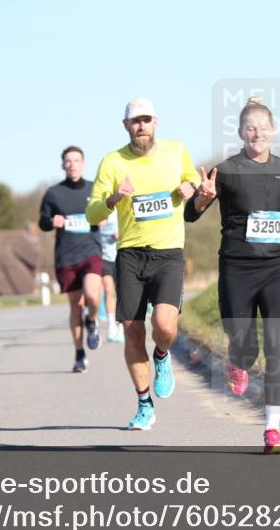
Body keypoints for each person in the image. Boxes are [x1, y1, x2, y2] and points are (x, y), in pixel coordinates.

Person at [185, 97, 280, 454]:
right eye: (250, 128)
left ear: (273, 130)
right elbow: (191, 215)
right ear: (241, 132)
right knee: (246, 346)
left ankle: (272, 430)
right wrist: (202, 198)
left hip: (276, 268)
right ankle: (237, 359)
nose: (256, 133)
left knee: (277, 346)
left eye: (262, 127)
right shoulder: (227, 171)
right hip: (237, 270)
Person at [86, 98, 201, 430]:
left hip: (168, 253)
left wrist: (190, 187)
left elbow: (193, 181)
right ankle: (144, 404)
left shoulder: (176, 151)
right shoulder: (112, 162)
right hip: (131, 255)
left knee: (164, 326)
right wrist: (114, 198)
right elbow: (92, 212)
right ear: (126, 126)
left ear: (156, 122)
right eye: (135, 121)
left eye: (146, 120)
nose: (141, 126)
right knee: (132, 332)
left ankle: (162, 355)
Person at [39, 145, 103, 373]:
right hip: (66, 257)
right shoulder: (53, 193)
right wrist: (51, 222)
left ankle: (92, 321)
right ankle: (79, 353)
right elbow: (42, 222)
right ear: (63, 165)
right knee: (75, 307)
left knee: (92, 295)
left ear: (83, 164)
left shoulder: (94, 189)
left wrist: (103, 217)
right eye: (68, 161)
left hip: (91, 251)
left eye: (76, 160)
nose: (72, 164)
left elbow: (107, 210)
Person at [98, 210, 125, 343]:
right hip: (104, 258)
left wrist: (121, 235)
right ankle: (111, 325)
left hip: (121, 257)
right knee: (109, 291)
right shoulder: (99, 209)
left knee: (122, 293)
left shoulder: (120, 210)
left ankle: (121, 327)